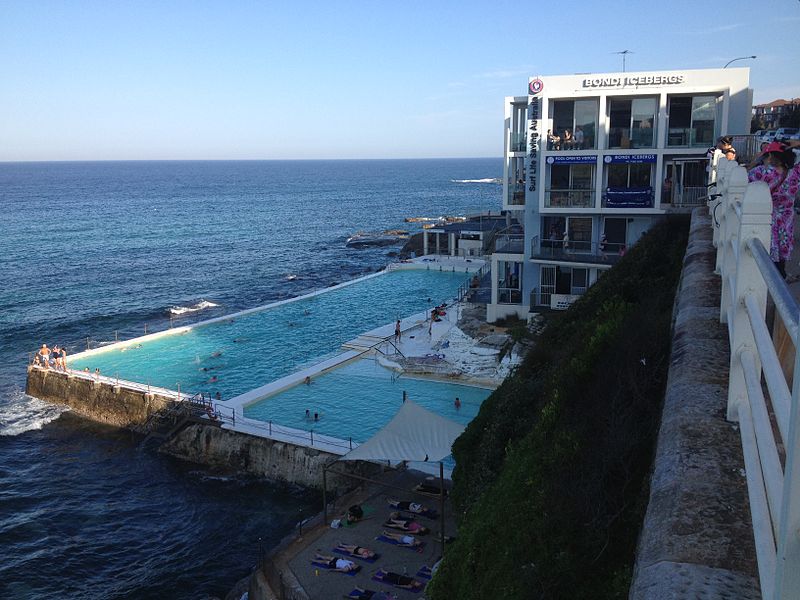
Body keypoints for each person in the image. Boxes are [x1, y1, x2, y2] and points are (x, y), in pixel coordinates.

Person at [748, 142, 797, 278]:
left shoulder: (763, 172)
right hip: (787, 217)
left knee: (770, 245)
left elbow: (745, 178)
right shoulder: (794, 174)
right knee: (783, 245)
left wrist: (755, 161)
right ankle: (782, 274)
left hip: (770, 216)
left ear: (770, 156)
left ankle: (774, 276)